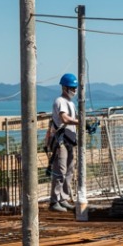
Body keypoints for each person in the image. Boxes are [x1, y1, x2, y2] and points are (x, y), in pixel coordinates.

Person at [48, 73, 80, 212]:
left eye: (75, 88)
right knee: (60, 170)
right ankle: (54, 200)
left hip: (70, 139)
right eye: (72, 88)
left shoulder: (71, 103)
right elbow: (65, 118)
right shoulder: (60, 101)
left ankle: (63, 198)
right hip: (61, 140)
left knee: (69, 170)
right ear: (64, 87)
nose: (74, 90)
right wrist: (81, 121)